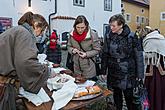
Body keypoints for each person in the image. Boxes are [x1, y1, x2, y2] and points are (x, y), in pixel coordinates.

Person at [0, 12, 51, 110]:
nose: (40, 34)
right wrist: (47, 71)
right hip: (3, 84)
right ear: (36, 25)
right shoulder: (24, 33)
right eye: (42, 31)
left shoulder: (17, 30)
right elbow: (26, 63)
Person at [101, 14, 144, 110]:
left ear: (121, 25)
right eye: (110, 25)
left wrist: (140, 75)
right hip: (113, 70)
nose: (111, 28)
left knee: (129, 97)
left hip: (128, 71)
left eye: (113, 26)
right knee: (116, 95)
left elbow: (139, 56)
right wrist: (103, 70)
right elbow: (105, 53)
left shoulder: (132, 36)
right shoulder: (108, 36)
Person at [67, 15, 101, 80]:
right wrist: (72, 50)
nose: (80, 30)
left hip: (89, 67)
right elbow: (68, 46)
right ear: (75, 26)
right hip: (76, 67)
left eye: (82, 27)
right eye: (78, 27)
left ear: (86, 26)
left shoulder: (92, 34)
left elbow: (97, 50)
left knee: (89, 87)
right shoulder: (71, 34)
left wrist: (86, 54)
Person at [140, 26, 165, 110]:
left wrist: (141, 54)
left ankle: (153, 106)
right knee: (161, 90)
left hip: (153, 69)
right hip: (162, 67)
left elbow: (149, 55)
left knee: (153, 90)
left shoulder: (149, 40)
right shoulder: (161, 37)